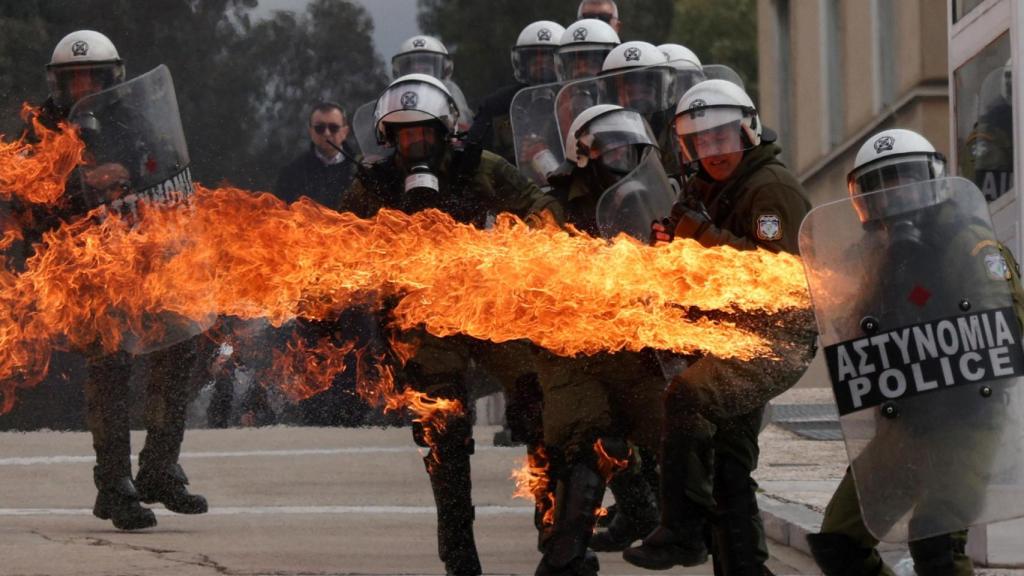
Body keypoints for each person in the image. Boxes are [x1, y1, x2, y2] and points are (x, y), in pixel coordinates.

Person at [339, 73, 562, 576]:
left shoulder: (480, 168)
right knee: (443, 429)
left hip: (489, 306)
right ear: (388, 138)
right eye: (404, 134)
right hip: (423, 319)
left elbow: (538, 204)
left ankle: (559, 536)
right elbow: (337, 241)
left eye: (424, 132)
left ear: (445, 131)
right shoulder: (372, 184)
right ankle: (459, 553)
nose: (415, 143)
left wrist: (526, 238)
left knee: (538, 405)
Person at [804, 128, 1024, 576]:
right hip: (905, 420)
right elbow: (850, 326)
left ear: (933, 181)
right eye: (881, 186)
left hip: (966, 419)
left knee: (937, 543)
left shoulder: (969, 243)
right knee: (839, 544)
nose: (895, 196)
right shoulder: (870, 256)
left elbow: (1004, 327)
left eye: (904, 180)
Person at [623, 79, 814, 574]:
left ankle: (683, 533)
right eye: (702, 142)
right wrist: (669, 244)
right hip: (727, 333)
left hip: (776, 337)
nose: (714, 151)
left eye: (723, 137)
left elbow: (780, 276)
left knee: (687, 396)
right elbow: (699, 254)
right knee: (729, 463)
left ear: (747, 130)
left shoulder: (769, 187)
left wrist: (698, 237)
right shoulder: (702, 186)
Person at [39, 30, 209, 531]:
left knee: (182, 343)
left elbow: (163, 165)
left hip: (141, 259)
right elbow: (26, 198)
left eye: (95, 77)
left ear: (115, 78)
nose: (85, 87)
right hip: (81, 267)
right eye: (75, 80)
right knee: (110, 367)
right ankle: (113, 486)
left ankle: (159, 467)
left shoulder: (130, 119)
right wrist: (79, 182)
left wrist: (143, 178)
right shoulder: (42, 130)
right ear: (58, 84)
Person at [532, 104, 671, 576]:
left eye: (627, 147)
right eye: (609, 147)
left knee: (688, 431)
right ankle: (563, 558)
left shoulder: (655, 199)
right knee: (585, 440)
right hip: (572, 349)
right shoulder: (552, 209)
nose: (620, 155)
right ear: (584, 156)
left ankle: (717, 544)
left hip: (636, 343)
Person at [470, 20, 565, 165]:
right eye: (535, 62)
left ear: (562, 63)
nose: (542, 68)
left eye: (549, 62)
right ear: (522, 65)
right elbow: (475, 153)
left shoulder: (573, 101)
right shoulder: (497, 105)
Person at [273, 101, 357, 207]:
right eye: (320, 128)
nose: (327, 133)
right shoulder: (292, 173)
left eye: (333, 128)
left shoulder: (361, 172)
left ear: (345, 131)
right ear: (311, 132)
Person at [392, 35, 474, 133]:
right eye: (413, 70)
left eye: (426, 69)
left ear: (445, 70)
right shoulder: (394, 95)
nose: (420, 74)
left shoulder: (450, 90)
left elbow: (462, 125)